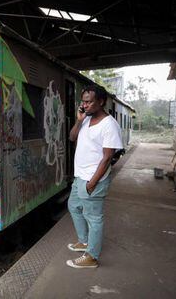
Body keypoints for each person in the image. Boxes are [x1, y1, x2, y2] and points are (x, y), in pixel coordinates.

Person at [66, 85, 123, 269]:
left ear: (101, 101)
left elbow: (107, 158)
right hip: (80, 177)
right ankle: (84, 241)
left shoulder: (109, 125)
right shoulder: (85, 120)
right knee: (73, 206)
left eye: (89, 101)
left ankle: (91, 256)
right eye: (83, 101)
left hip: (93, 179)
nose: (85, 105)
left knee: (94, 218)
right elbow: (72, 137)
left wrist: (92, 183)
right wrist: (79, 120)